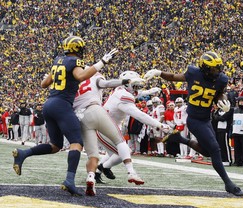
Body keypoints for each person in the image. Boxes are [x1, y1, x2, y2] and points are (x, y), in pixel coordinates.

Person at [12, 35, 118, 196]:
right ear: (79, 49)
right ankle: (69, 180)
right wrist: (101, 62)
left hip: (49, 104)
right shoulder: (75, 62)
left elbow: (43, 84)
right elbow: (81, 76)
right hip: (62, 105)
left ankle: (23, 153)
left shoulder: (58, 61)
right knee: (77, 142)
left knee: (56, 145)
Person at [144, 51, 243, 196]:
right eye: (213, 68)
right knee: (216, 149)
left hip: (206, 118)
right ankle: (228, 184)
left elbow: (219, 94)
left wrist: (223, 101)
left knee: (207, 152)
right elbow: (174, 77)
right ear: (204, 67)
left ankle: (180, 139)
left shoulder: (221, 79)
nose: (216, 71)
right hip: (194, 119)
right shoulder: (193, 73)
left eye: (218, 68)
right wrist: (159, 72)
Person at [73, 69, 145, 196]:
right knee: (119, 141)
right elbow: (106, 84)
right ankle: (131, 172)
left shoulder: (76, 85)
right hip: (95, 109)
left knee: (93, 154)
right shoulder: (96, 77)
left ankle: (91, 177)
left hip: (81, 117)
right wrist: (123, 81)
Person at [95, 71, 171, 183]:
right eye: (135, 86)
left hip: (107, 126)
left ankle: (97, 171)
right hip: (103, 128)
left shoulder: (120, 90)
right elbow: (139, 115)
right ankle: (104, 167)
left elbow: (136, 94)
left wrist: (149, 91)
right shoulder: (123, 96)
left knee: (116, 153)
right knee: (123, 153)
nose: (137, 89)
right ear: (126, 84)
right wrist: (159, 124)